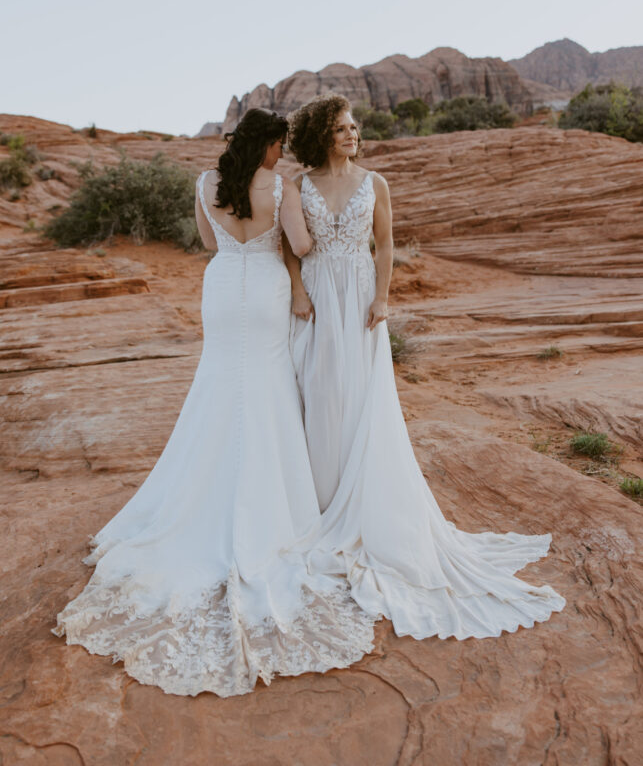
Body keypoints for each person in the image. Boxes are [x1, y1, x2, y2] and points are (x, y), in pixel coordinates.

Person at [53, 108, 375, 697]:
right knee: (271, 386)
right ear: (271, 144)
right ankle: (276, 507)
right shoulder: (278, 187)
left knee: (219, 381)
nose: (281, 155)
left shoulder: (206, 183)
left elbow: (208, 241)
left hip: (224, 287)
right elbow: (300, 244)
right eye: (279, 146)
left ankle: (201, 490)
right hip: (268, 292)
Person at [285, 93, 566, 640]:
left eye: (354, 126)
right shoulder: (300, 186)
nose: (352, 133)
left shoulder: (376, 183)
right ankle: (316, 505)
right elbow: (288, 249)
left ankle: (362, 505)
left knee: (364, 396)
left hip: (360, 294)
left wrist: (382, 298)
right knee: (319, 390)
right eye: (342, 128)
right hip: (318, 294)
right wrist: (297, 290)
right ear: (322, 133)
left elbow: (385, 246)